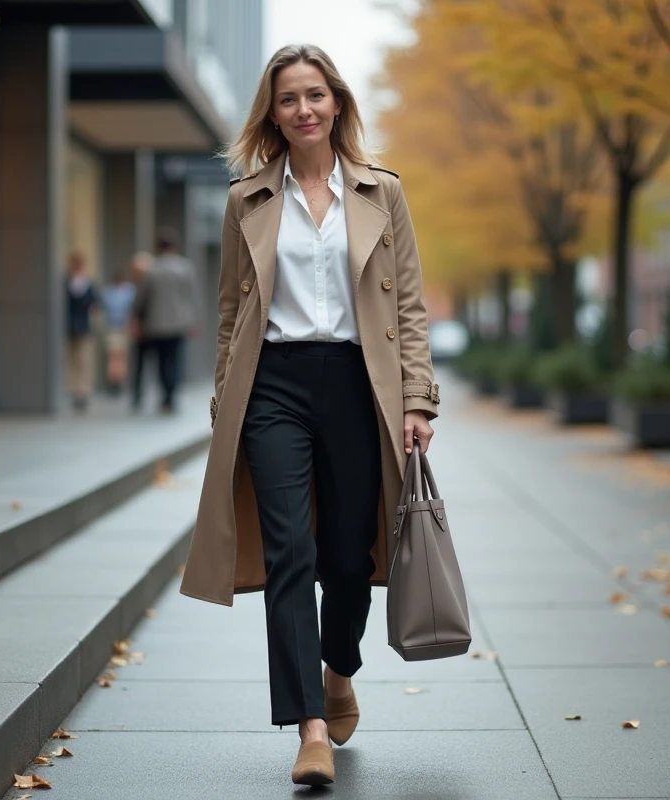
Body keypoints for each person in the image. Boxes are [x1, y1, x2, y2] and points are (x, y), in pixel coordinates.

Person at [178, 44, 440, 787]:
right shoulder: (247, 200)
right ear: (274, 113)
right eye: (289, 98)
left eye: (315, 95)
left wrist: (418, 398)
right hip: (274, 388)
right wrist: (224, 398)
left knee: (349, 557)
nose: (304, 109)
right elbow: (232, 312)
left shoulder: (382, 194)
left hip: (360, 385)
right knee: (291, 551)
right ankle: (310, 727)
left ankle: (338, 669)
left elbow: (409, 309)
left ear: (337, 104)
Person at [131, 228, 200, 413]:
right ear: (175, 247)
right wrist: (193, 321)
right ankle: (171, 395)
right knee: (175, 359)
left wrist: (136, 318)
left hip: (156, 324)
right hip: (179, 324)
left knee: (162, 361)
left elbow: (142, 297)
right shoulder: (185, 268)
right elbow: (191, 296)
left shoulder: (152, 269)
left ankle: (166, 395)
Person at [100, 254, 146, 396]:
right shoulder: (108, 292)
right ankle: (114, 381)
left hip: (124, 326)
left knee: (122, 355)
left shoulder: (129, 291)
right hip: (113, 326)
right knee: (114, 354)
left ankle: (119, 381)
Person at [64, 252, 98, 413]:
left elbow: (95, 304)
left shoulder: (88, 284)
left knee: (83, 361)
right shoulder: (65, 283)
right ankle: (73, 390)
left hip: (83, 328)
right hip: (68, 328)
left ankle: (83, 391)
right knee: (70, 360)